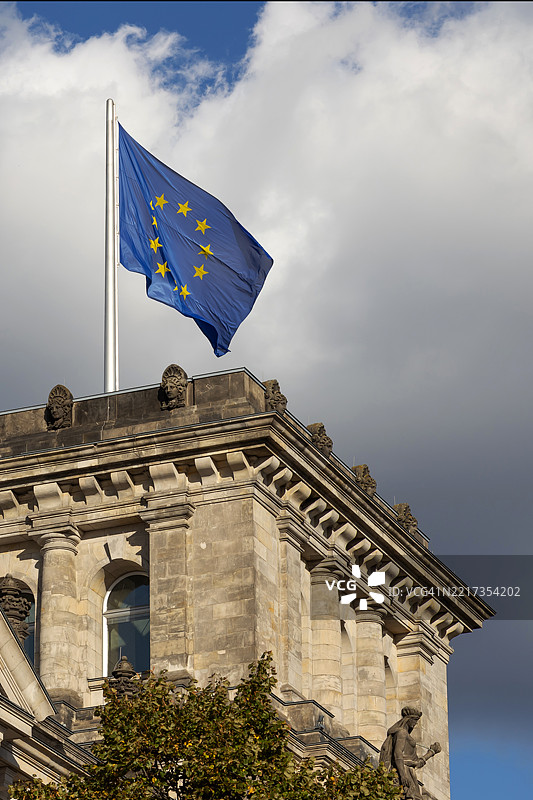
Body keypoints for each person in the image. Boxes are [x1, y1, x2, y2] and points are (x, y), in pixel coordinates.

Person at [379, 706, 441, 799]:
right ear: (408, 719)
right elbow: (397, 754)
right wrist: (402, 775)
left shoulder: (406, 735)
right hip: (403, 771)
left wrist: (431, 752)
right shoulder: (402, 733)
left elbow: (416, 762)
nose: (416, 723)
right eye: (415, 720)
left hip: (409, 772)